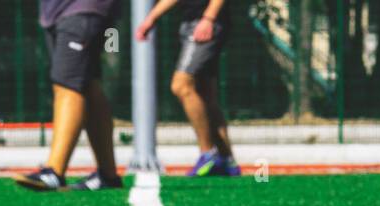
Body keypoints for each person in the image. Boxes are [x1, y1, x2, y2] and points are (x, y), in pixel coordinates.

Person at [14, 0, 123, 192]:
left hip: (82, 9)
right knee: (88, 85)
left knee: (67, 83)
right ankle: (108, 174)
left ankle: (55, 171)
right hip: (60, 12)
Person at [137, 0, 239, 176]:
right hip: (192, 22)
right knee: (205, 94)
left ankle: (208, 154)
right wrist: (151, 17)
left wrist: (209, 18)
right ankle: (226, 160)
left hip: (205, 22)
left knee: (181, 85)